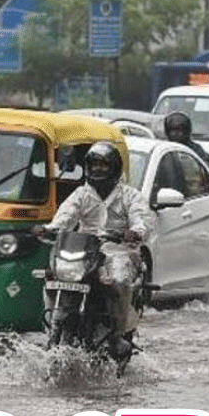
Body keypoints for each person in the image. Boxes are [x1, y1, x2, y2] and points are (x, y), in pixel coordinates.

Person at [42, 141, 154, 350]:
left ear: (114, 167)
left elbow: (142, 221)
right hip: (84, 251)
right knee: (52, 276)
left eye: (103, 165)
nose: (97, 169)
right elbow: (65, 216)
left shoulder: (130, 196)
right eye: (93, 164)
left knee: (119, 279)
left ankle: (119, 333)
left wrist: (134, 232)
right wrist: (49, 228)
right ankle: (54, 324)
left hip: (119, 252)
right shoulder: (81, 194)